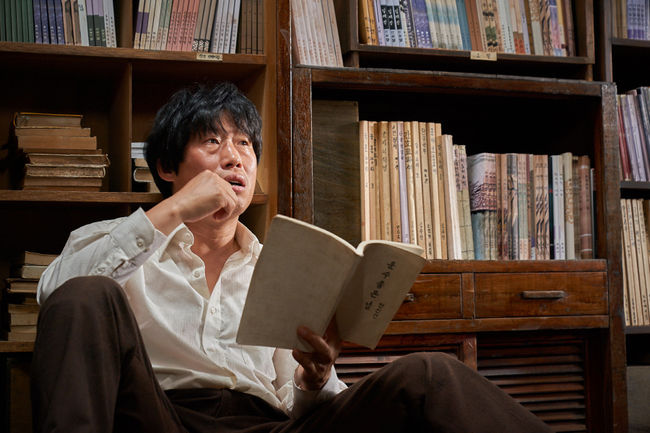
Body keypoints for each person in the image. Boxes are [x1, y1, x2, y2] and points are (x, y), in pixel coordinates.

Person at [32, 82, 553, 433]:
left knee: (430, 375)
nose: (234, 157)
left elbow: (299, 402)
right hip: (160, 416)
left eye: (244, 145)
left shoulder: (283, 267)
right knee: (87, 292)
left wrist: (315, 380)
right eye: (212, 142)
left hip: (269, 425)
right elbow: (59, 301)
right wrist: (172, 211)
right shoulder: (115, 241)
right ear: (168, 166)